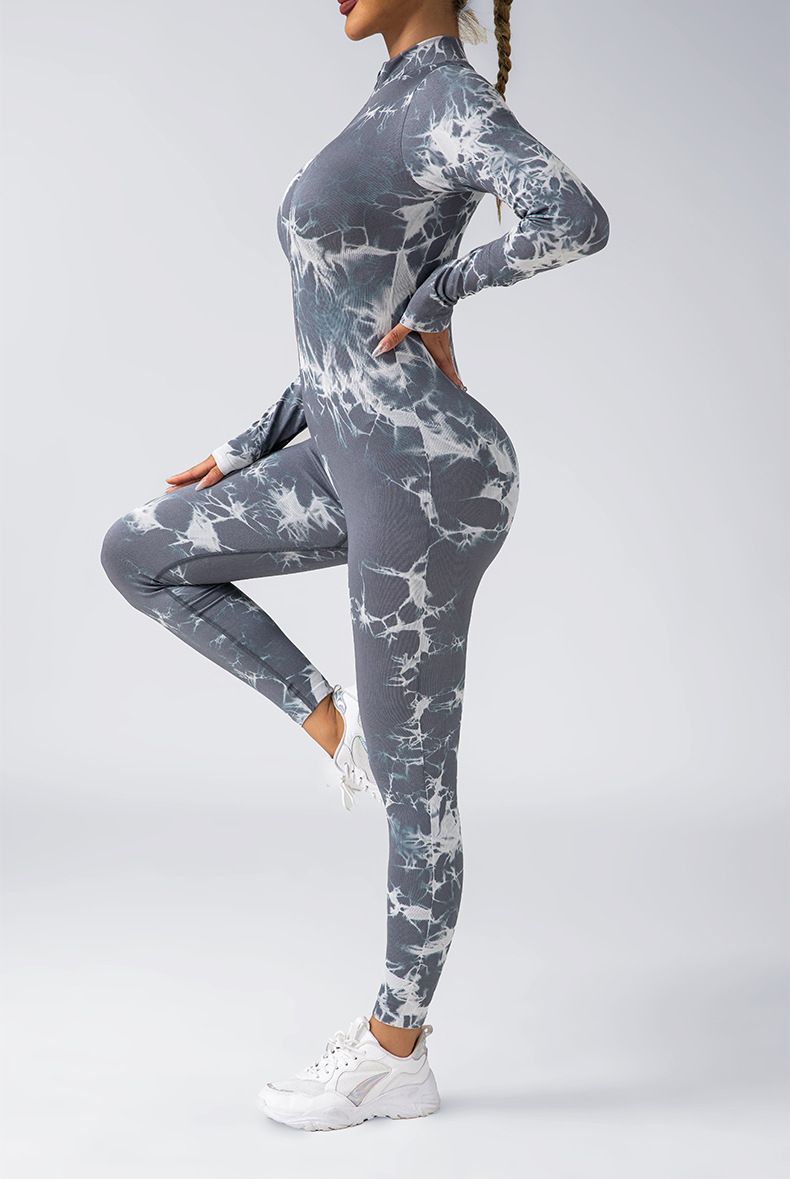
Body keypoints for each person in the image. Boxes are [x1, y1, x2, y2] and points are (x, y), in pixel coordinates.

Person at [100, 0, 609, 1132]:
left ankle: (394, 1049)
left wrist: (445, 294)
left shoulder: (445, 97)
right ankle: (337, 728)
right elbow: (343, 326)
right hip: (345, 453)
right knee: (138, 548)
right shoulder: (390, 103)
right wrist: (247, 445)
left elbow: (572, 216)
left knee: (419, 783)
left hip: (422, 474)